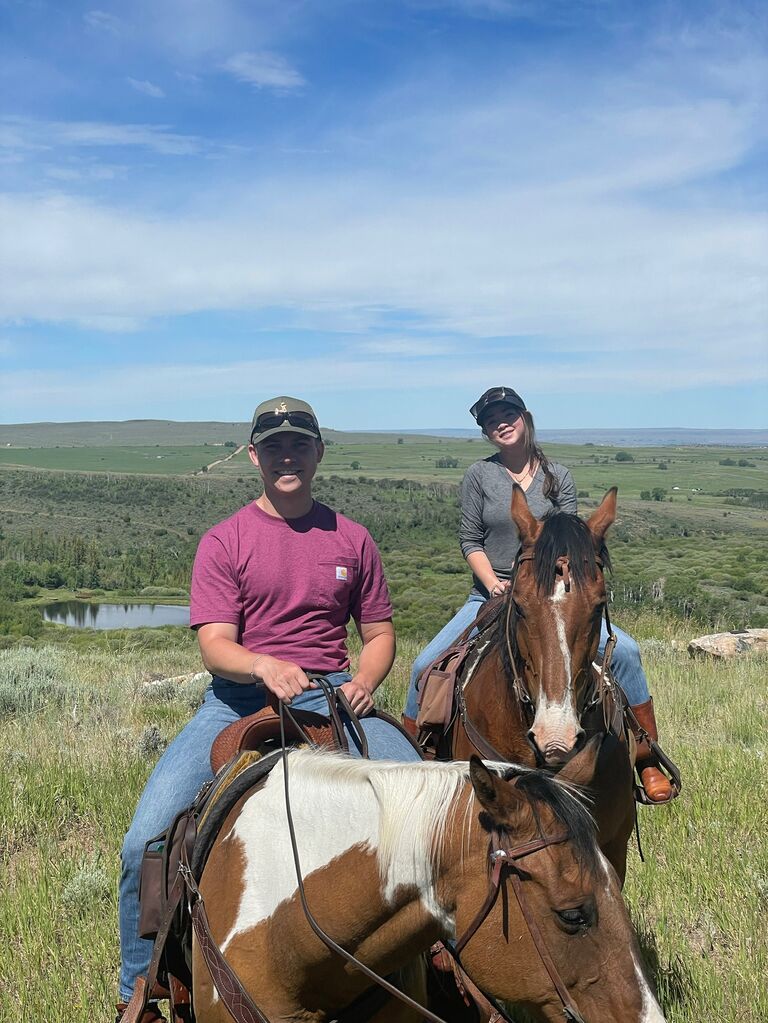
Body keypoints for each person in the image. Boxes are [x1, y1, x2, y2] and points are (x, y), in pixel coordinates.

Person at [117, 396, 419, 1023]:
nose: (288, 456)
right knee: (144, 838)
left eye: (300, 444)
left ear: (318, 453)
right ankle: (139, 990)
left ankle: (445, 967)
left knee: (426, 804)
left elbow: (381, 632)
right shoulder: (226, 540)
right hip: (237, 701)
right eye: (275, 445)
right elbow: (214, 644)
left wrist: (365, 675)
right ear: (254, 456)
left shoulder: (352, 538)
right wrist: (262, 664)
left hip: (336, 695)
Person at [402, 385, 676, 804]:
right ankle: (415, 755)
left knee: (627, 653)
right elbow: (469, 540)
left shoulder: (557, 477)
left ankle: (646, 757)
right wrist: (493, 583)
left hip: (553, 594)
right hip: (490, 593)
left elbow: (573, 541)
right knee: (426, 664)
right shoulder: (480, 476)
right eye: (492, 420)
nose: (501, 423)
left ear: (525, 419)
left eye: (508, 414)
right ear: (486, 432)